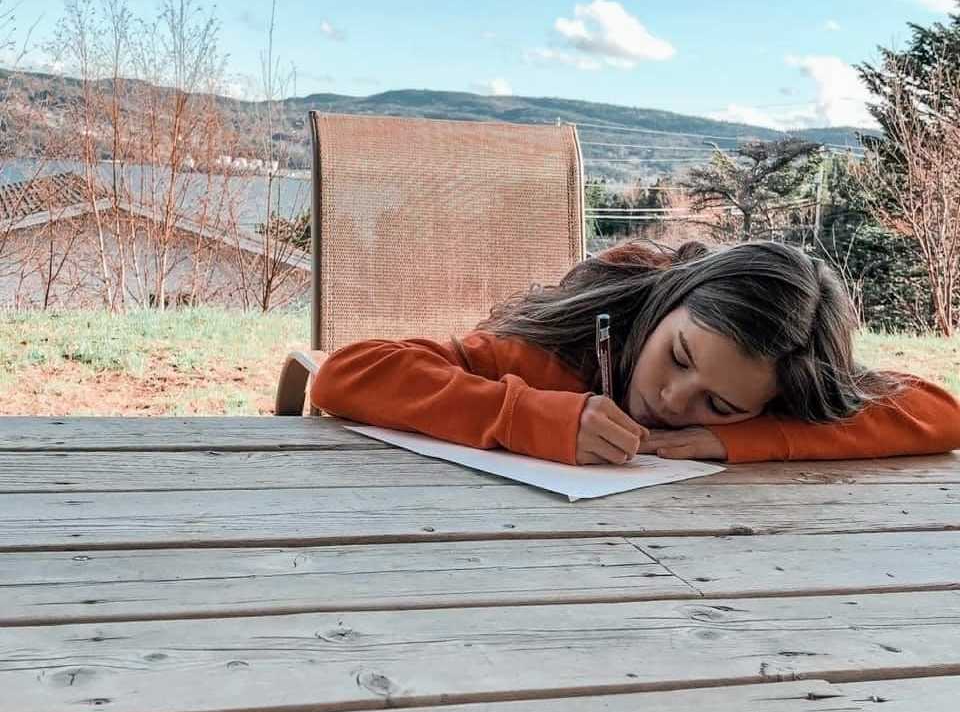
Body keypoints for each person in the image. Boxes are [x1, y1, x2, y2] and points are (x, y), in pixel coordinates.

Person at [311, 239, 960, 466]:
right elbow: (348, 373)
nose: (676, 401)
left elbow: (938, 412)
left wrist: (739, 440)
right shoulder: (553, 348)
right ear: (672, 296)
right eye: (679, 356)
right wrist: (532, 418)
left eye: (722, 402)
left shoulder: (778, 384)